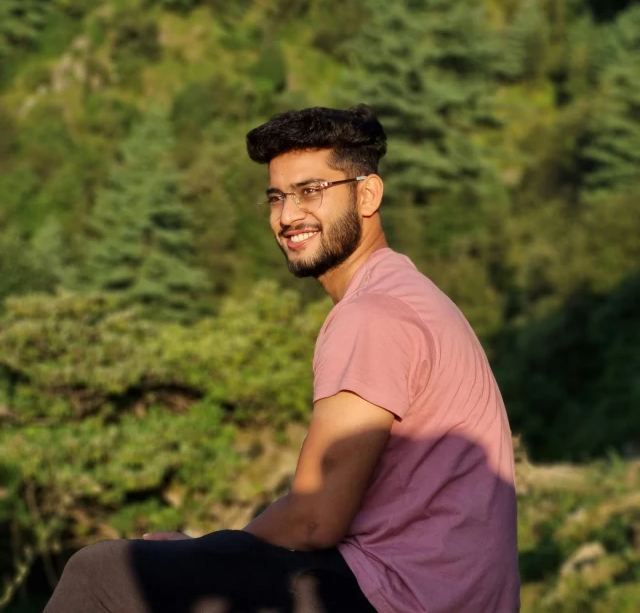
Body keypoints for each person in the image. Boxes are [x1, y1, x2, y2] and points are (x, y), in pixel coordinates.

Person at [44, 105, 520, 613]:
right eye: (277, 197)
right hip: (424, 589)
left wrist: (205, 548)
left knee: (102, 574)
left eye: (311, 191)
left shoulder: (372, 315)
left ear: (367, 194)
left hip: (400, 595)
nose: (288, 215)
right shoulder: (406, 292)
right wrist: (214, 550)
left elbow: (316, 518)